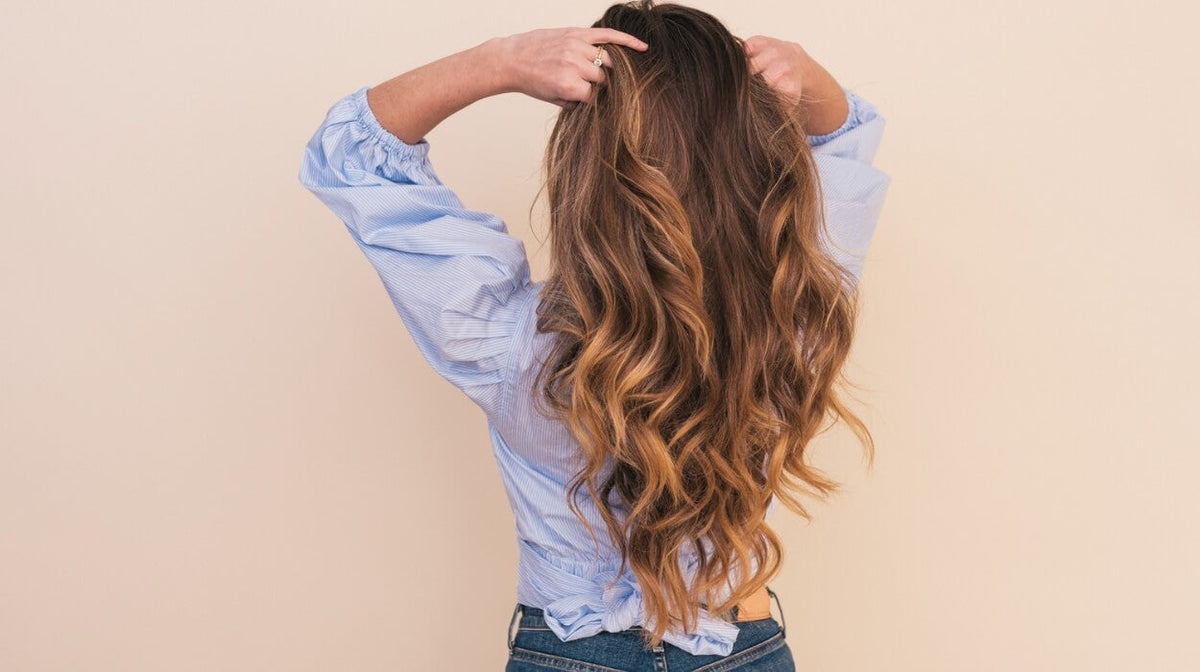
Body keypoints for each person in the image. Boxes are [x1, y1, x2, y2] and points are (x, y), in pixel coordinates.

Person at [297, 1, 889, 669]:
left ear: (580, 171)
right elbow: (842, 142)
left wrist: (501, 62)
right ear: (748, 158)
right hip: (741, 648)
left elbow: (354, 156)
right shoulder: (796, 305)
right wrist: (809, 80)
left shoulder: (511, 344)